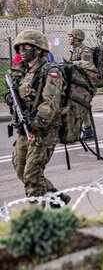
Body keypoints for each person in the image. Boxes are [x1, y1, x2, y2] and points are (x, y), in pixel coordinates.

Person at [5, 30, 70, 207]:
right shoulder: (22, 71)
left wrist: (33, 122)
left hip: (44, 131)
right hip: (24, 130)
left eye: (27, 47)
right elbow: (19, 95)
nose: (23, 50)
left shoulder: (51, 71)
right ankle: (55, 196)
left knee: (32, 176)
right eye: (20, 47)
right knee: (20, 169)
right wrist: (9, 98)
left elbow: (51, 103)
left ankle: (37, 220)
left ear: (39, 50)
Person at [68, 29, 96, 141]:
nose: (68, 38)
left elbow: (88, 64)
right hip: (78, 82)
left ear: (77, 38)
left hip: (87, 83)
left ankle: (87, 130)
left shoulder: (85, 49)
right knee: (78, 105)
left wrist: (73, 63)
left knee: (81, 105)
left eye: (70, 36)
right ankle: (85, 130)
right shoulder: (75, 50)